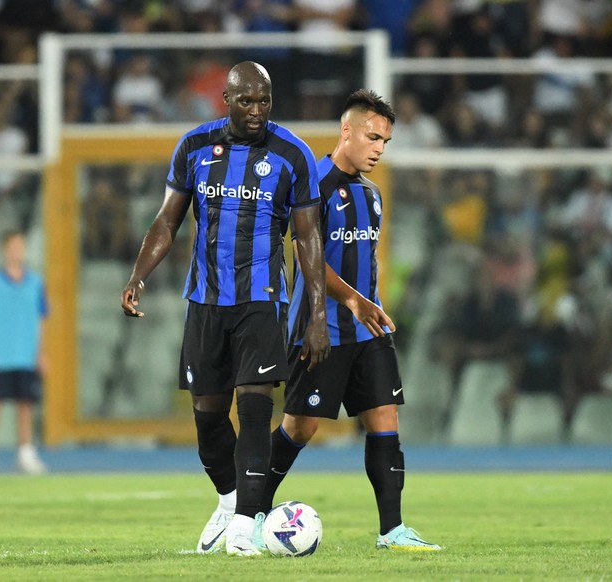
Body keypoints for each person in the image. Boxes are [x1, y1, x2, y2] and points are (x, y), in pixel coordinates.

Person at [120, 61, 330, 556]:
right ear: (227, 101)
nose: (257, 110)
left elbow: (307, 239)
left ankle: (243, 529)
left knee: (254, 413)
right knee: (207, 421)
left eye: (264, 101)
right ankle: (230, 498)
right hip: (205, 302)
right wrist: (137, 275)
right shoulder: (194, 147)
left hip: (261, 301)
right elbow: (166, 221)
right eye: (247, 101)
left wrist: (317, 314)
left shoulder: (292, 154)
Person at [258, 89, 442, 551]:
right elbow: (307, 258)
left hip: (367, 329)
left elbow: (363, 260)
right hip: (320, 328)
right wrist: (355, 301)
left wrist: (368, 304)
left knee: (385, 418)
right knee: (302, 426)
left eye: (385, 141)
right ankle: (251, 511)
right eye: (372, 136)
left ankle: (392, 531)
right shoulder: (310, 184)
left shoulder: (372, 195)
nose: (379, 148)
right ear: (347, 131)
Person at [0, 230, 48, 475]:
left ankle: (25, 453)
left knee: (26, 405)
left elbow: (41, 321)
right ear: (5, 249)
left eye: (20, 246)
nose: (17, 250)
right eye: (12, 246)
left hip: (25, 355)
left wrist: (41, 354)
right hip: (0, 355)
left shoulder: (36, 283)